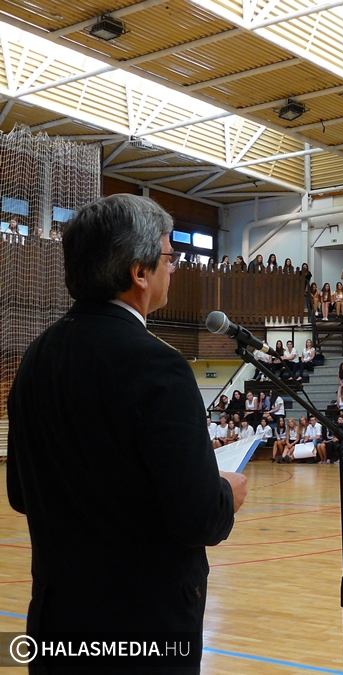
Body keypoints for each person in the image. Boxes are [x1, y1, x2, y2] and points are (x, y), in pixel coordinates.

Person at [6, 195, 246, 665]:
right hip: (144, 628)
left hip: (57, 622)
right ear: (139, 272)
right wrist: (224, 493)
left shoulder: (34, 359)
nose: (173, 268)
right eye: (169, 257)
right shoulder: (159, 366)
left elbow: (20, 491)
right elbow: (198, 517)